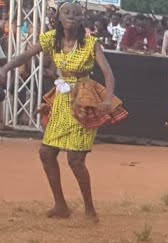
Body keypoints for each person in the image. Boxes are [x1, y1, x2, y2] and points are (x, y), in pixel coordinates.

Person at [0, 1, 124, 223]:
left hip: (83, 101)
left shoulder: (90, 43)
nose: (71, 17)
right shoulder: (50, 39)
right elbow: (25, 56)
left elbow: (109, 73)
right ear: (58, 16)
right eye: (66, 13)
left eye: (76, 14)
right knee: (47, 153)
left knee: (76, 159)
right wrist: (5, 68)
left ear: (81, 18)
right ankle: (60, 205)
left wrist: (107, 99)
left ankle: (90, 210)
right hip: (60, 100)